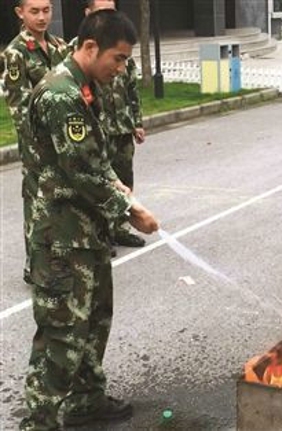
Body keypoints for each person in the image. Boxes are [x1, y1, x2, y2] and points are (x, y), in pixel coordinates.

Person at [19, 9, 159, 430]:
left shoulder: (82, 88)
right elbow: (81, 170)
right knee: (62, 336)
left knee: (94, 322)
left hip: (86, 235)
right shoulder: (62, 95)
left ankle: (85, 401)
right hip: (62, 239)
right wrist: (129, 210)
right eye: (118, 59)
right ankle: (39, 420)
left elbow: (96, 161)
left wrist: (120, 189)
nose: (121, 69)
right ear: (91, 47)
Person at [1, 0, 69, 283]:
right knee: (38, 204)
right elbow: (18, 107)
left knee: (59, 202)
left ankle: (56, 259)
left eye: (46, 10)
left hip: (62, 141)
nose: (42, 17)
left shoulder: (59, 47)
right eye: (34, 11)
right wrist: (43, 139)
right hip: (38, 145)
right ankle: (35, 267)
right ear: (20, 13)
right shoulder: (15, 53)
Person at [89, 0, 147, 249]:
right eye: (101, 11)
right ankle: (100, 234)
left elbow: (132, 90)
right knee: (99, 183)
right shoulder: (81, 51)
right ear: (88, 14)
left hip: (122, 128)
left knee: (124, 179)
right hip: (98, 130)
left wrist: (137, 122)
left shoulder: (123, 51)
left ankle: (119, 228)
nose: (107, 16)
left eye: (111, 11)